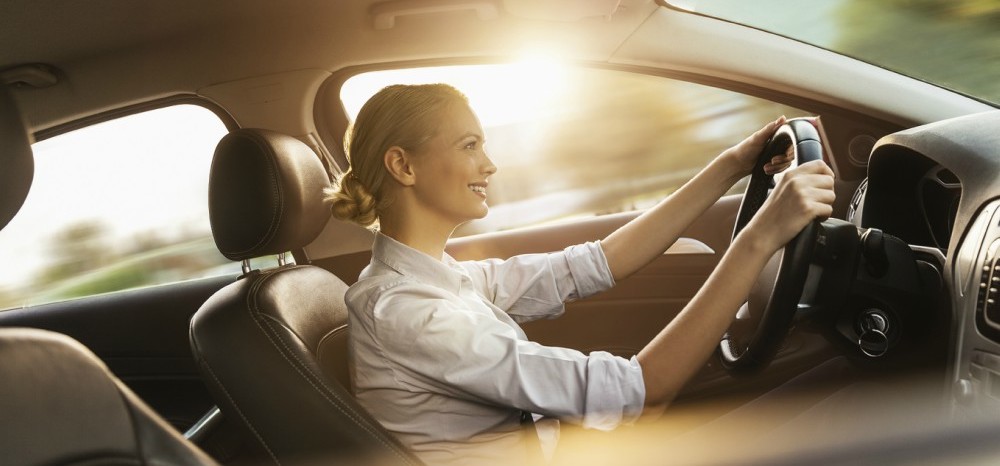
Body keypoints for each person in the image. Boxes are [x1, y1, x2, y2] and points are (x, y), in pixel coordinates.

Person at [324, 83, 835, 465]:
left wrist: (729, 165)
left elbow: (598, 262)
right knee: (833, 397)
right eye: (469, 145)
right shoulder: (406, 311)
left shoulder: (436, 279)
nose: (490, 164)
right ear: (403, 166)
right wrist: (759, 240)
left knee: (822, 390)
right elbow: (642, 390)